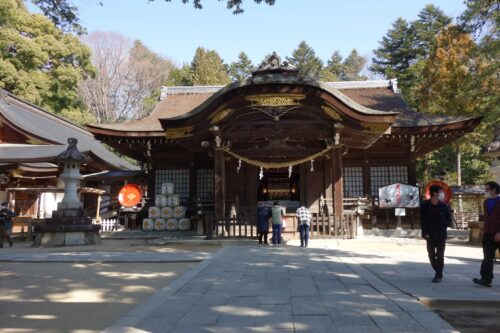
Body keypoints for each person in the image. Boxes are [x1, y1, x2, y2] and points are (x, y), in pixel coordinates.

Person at [420, 185, 452, 283]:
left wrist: (444, 225)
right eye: (440, 192)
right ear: (434, 193)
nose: (441, 194)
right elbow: (423, 220)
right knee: (431, 255)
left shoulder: (444, 206)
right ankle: (438, 270)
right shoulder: (425, 205)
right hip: (430, 234)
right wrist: (425, 233)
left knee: (440, 255)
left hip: (441, 234)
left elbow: (449, 220)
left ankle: (438, 274)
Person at [473, 181, 500, 287]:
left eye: (487, 189)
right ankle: (485, 279)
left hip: (498, 232)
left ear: (494, 190)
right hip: (488, 233)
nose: (485, 191)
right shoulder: (486, 202)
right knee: (487, 257)